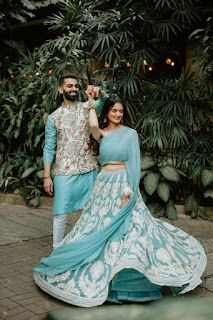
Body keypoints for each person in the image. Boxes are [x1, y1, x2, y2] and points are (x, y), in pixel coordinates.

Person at [34, 95, 207, 307]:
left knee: (133, 230)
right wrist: (90, 102)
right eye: (114, 110)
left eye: (120, 111)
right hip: (103, 185)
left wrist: (130, 191)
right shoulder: (102, 134)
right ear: (107, 112)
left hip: (123, 184)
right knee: (95, 225)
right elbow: (93, 124)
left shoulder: (130, 134)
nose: (117, 114)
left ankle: (134, 277)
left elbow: (134, 163)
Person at [43, 74, 108, 248]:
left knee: (90, 210)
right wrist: (47, 176)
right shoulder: (53, 117)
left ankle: (86, 247)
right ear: (60, 89)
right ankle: (57, 248)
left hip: (88, 167)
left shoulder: (88, 107)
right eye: (69, 86)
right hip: (64, 170)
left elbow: (107, 101)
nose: (74, 89)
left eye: (76, 86)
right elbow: (49, 148)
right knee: (61, 212)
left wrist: (98, 91)